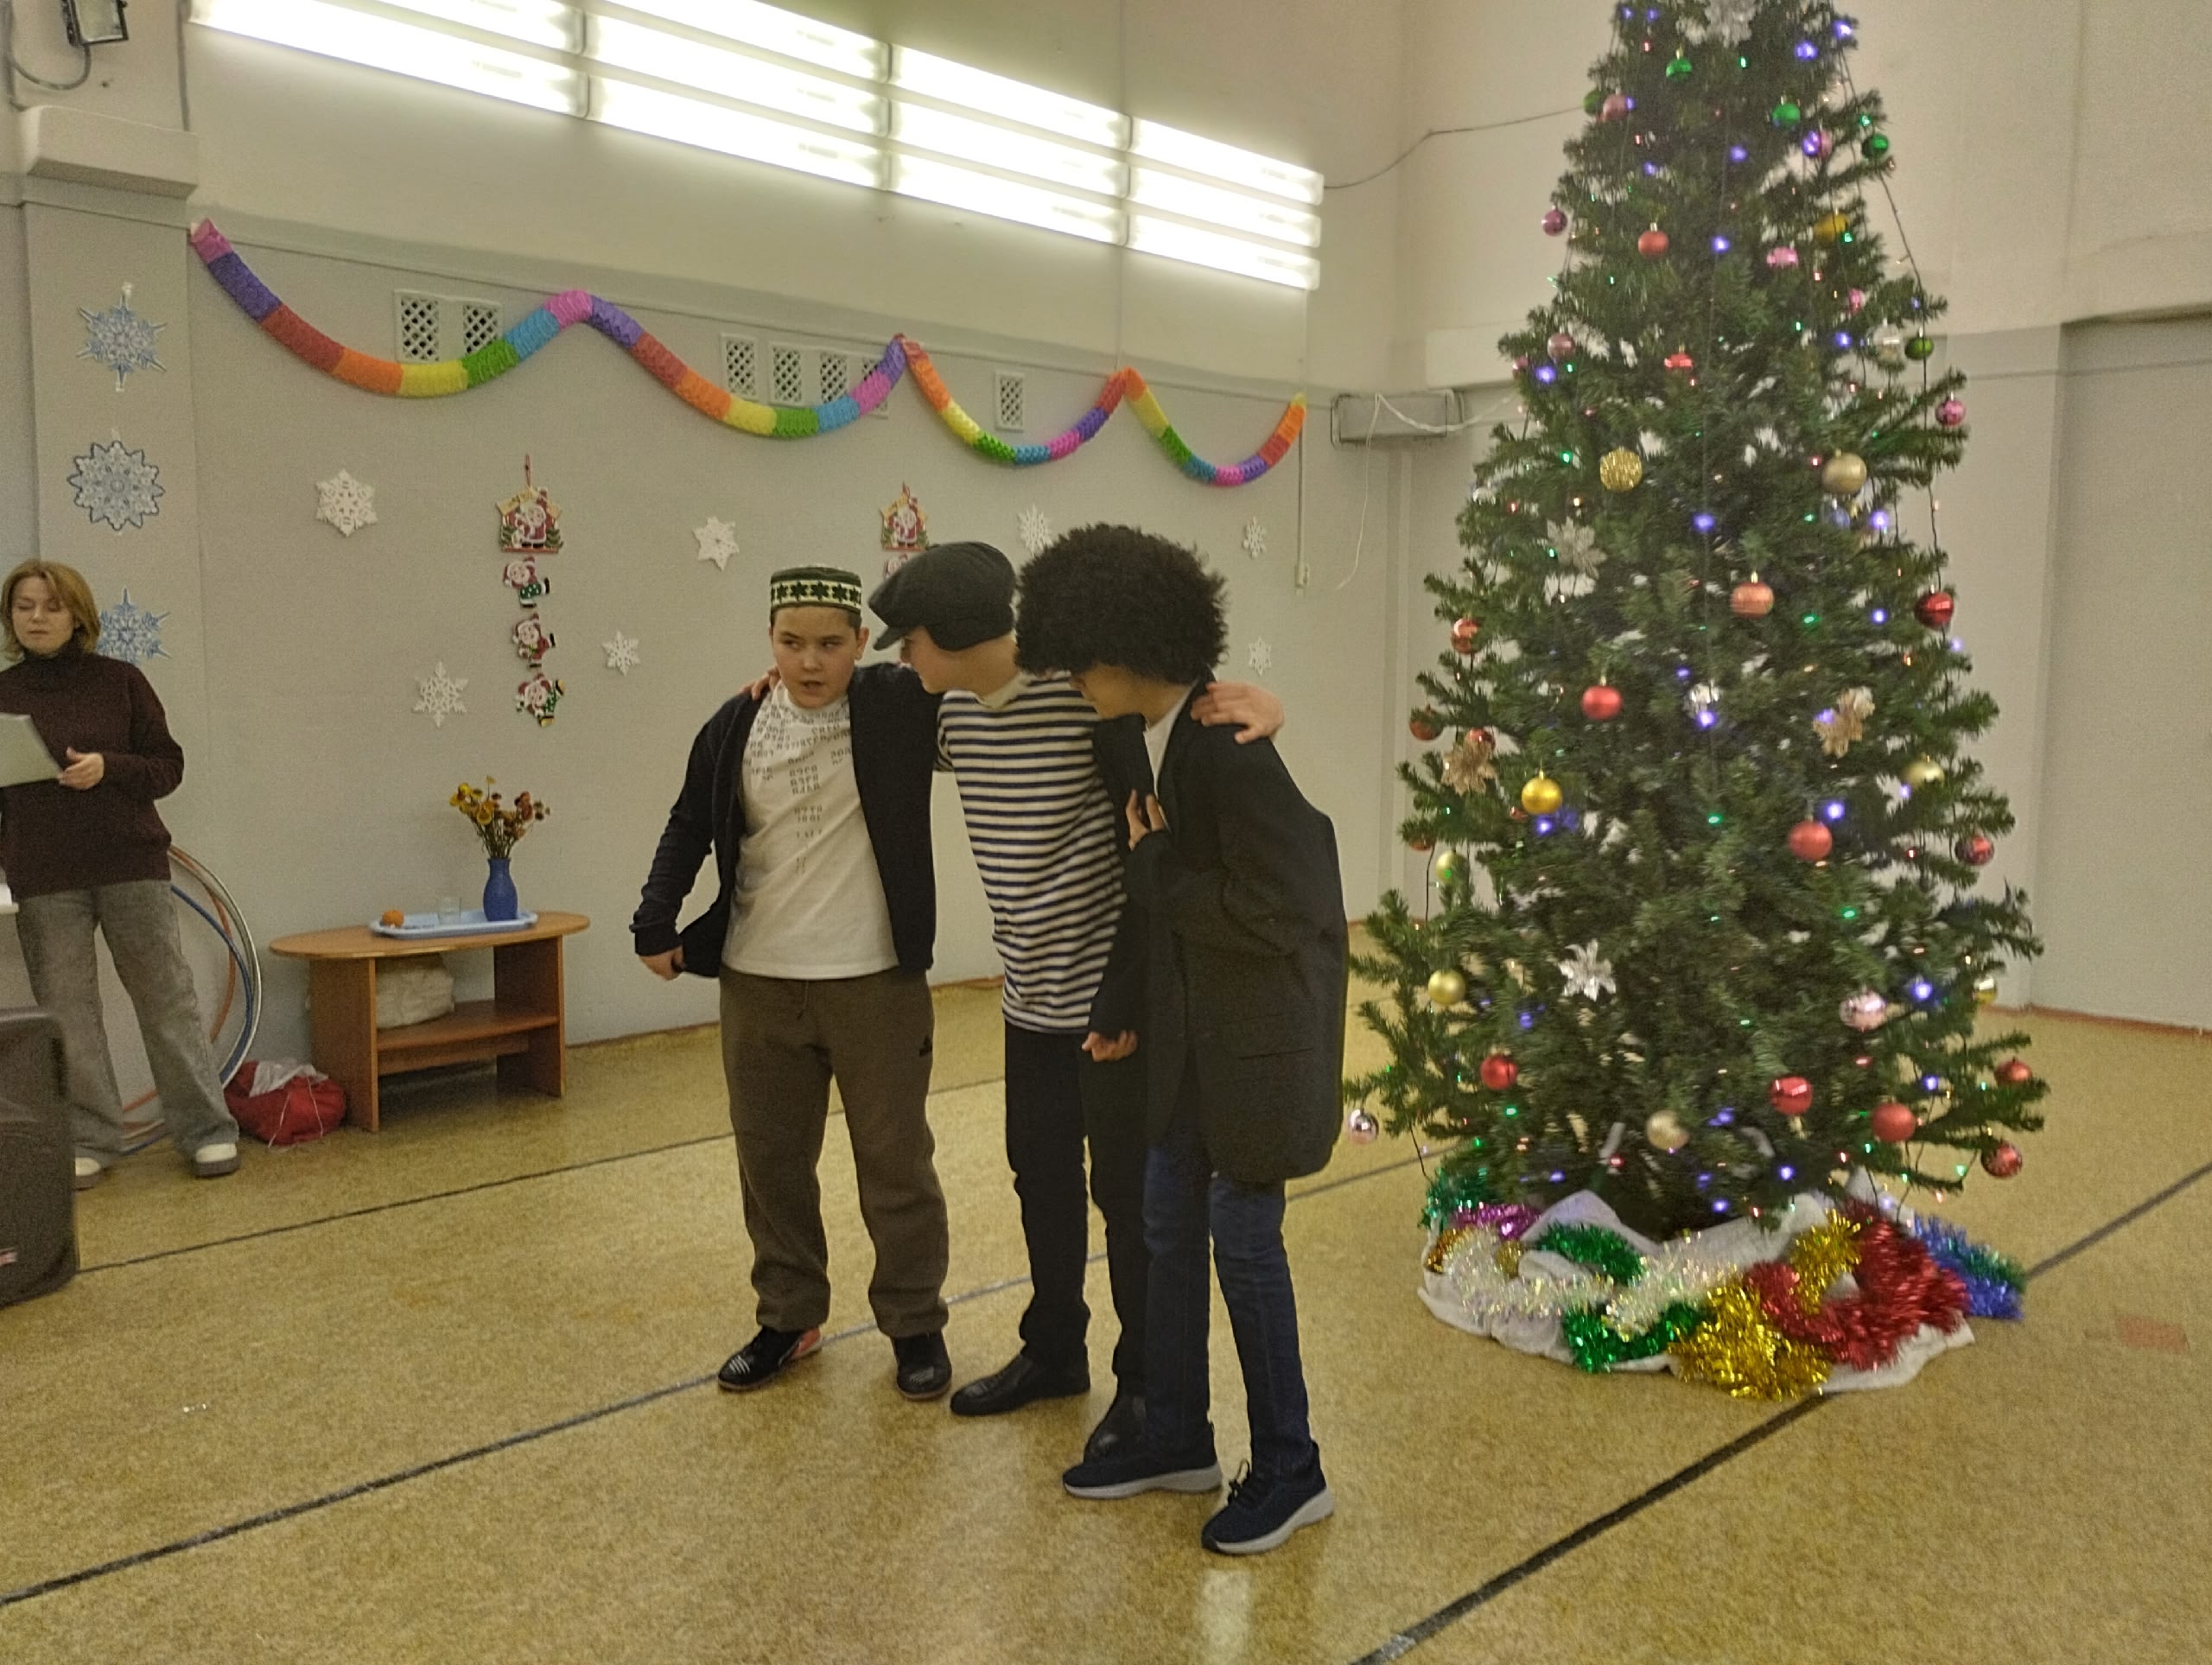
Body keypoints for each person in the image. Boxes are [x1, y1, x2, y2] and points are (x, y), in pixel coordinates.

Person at [865, 542, 1282, 1463]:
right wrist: (764, 691)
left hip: (1110, 1005)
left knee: (1127, 1201)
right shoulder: (947, 714)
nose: (903, 659)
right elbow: (857, 709)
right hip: (1027, 1003)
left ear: (952, 634)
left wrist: (1123, 996)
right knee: (1040, 1180)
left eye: (912, 641)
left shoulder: (1086, 701)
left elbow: (1152, 834)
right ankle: (1055, 1349)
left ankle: (1145, 1384)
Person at [1018, 524, 1347, 1557]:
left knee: (1243, 1244)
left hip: (1257, 1051)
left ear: (1130, 650)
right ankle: (1176, 1432)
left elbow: (1287, 905)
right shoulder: (1136, 732)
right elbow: (1152, 910)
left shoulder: (1226, 747)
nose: (1073, 682)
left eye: (1082, 664)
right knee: (1164, 1219)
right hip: (1190, 1046)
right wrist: (1121, 1001)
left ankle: (1291, 1467)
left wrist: (1158, 864)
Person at [632, 566, 954, 1402]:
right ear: (769, 640)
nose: (810, 661)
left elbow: (989, 684)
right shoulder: (737, 722)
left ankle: (914, 1322)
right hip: (759, 981)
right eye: (791, 642)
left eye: (830, 644)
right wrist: (655, 917)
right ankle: (789, 1315)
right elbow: (689, 822)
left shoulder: (897, 705)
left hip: (874, 981)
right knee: (771, 1161)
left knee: (895, 1160)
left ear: (862, 642)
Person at [0, 558, 240, 1188]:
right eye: (24, 606)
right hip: (43, 875)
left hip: (129, 863)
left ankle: (207, 1131)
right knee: (68, 1015)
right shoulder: (2, 693)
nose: (37, 617)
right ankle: (90, 1139)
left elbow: (168, 766)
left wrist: (111, 767)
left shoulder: (121, 681)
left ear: (78, 615)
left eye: (52, 606)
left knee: (166, 1000)